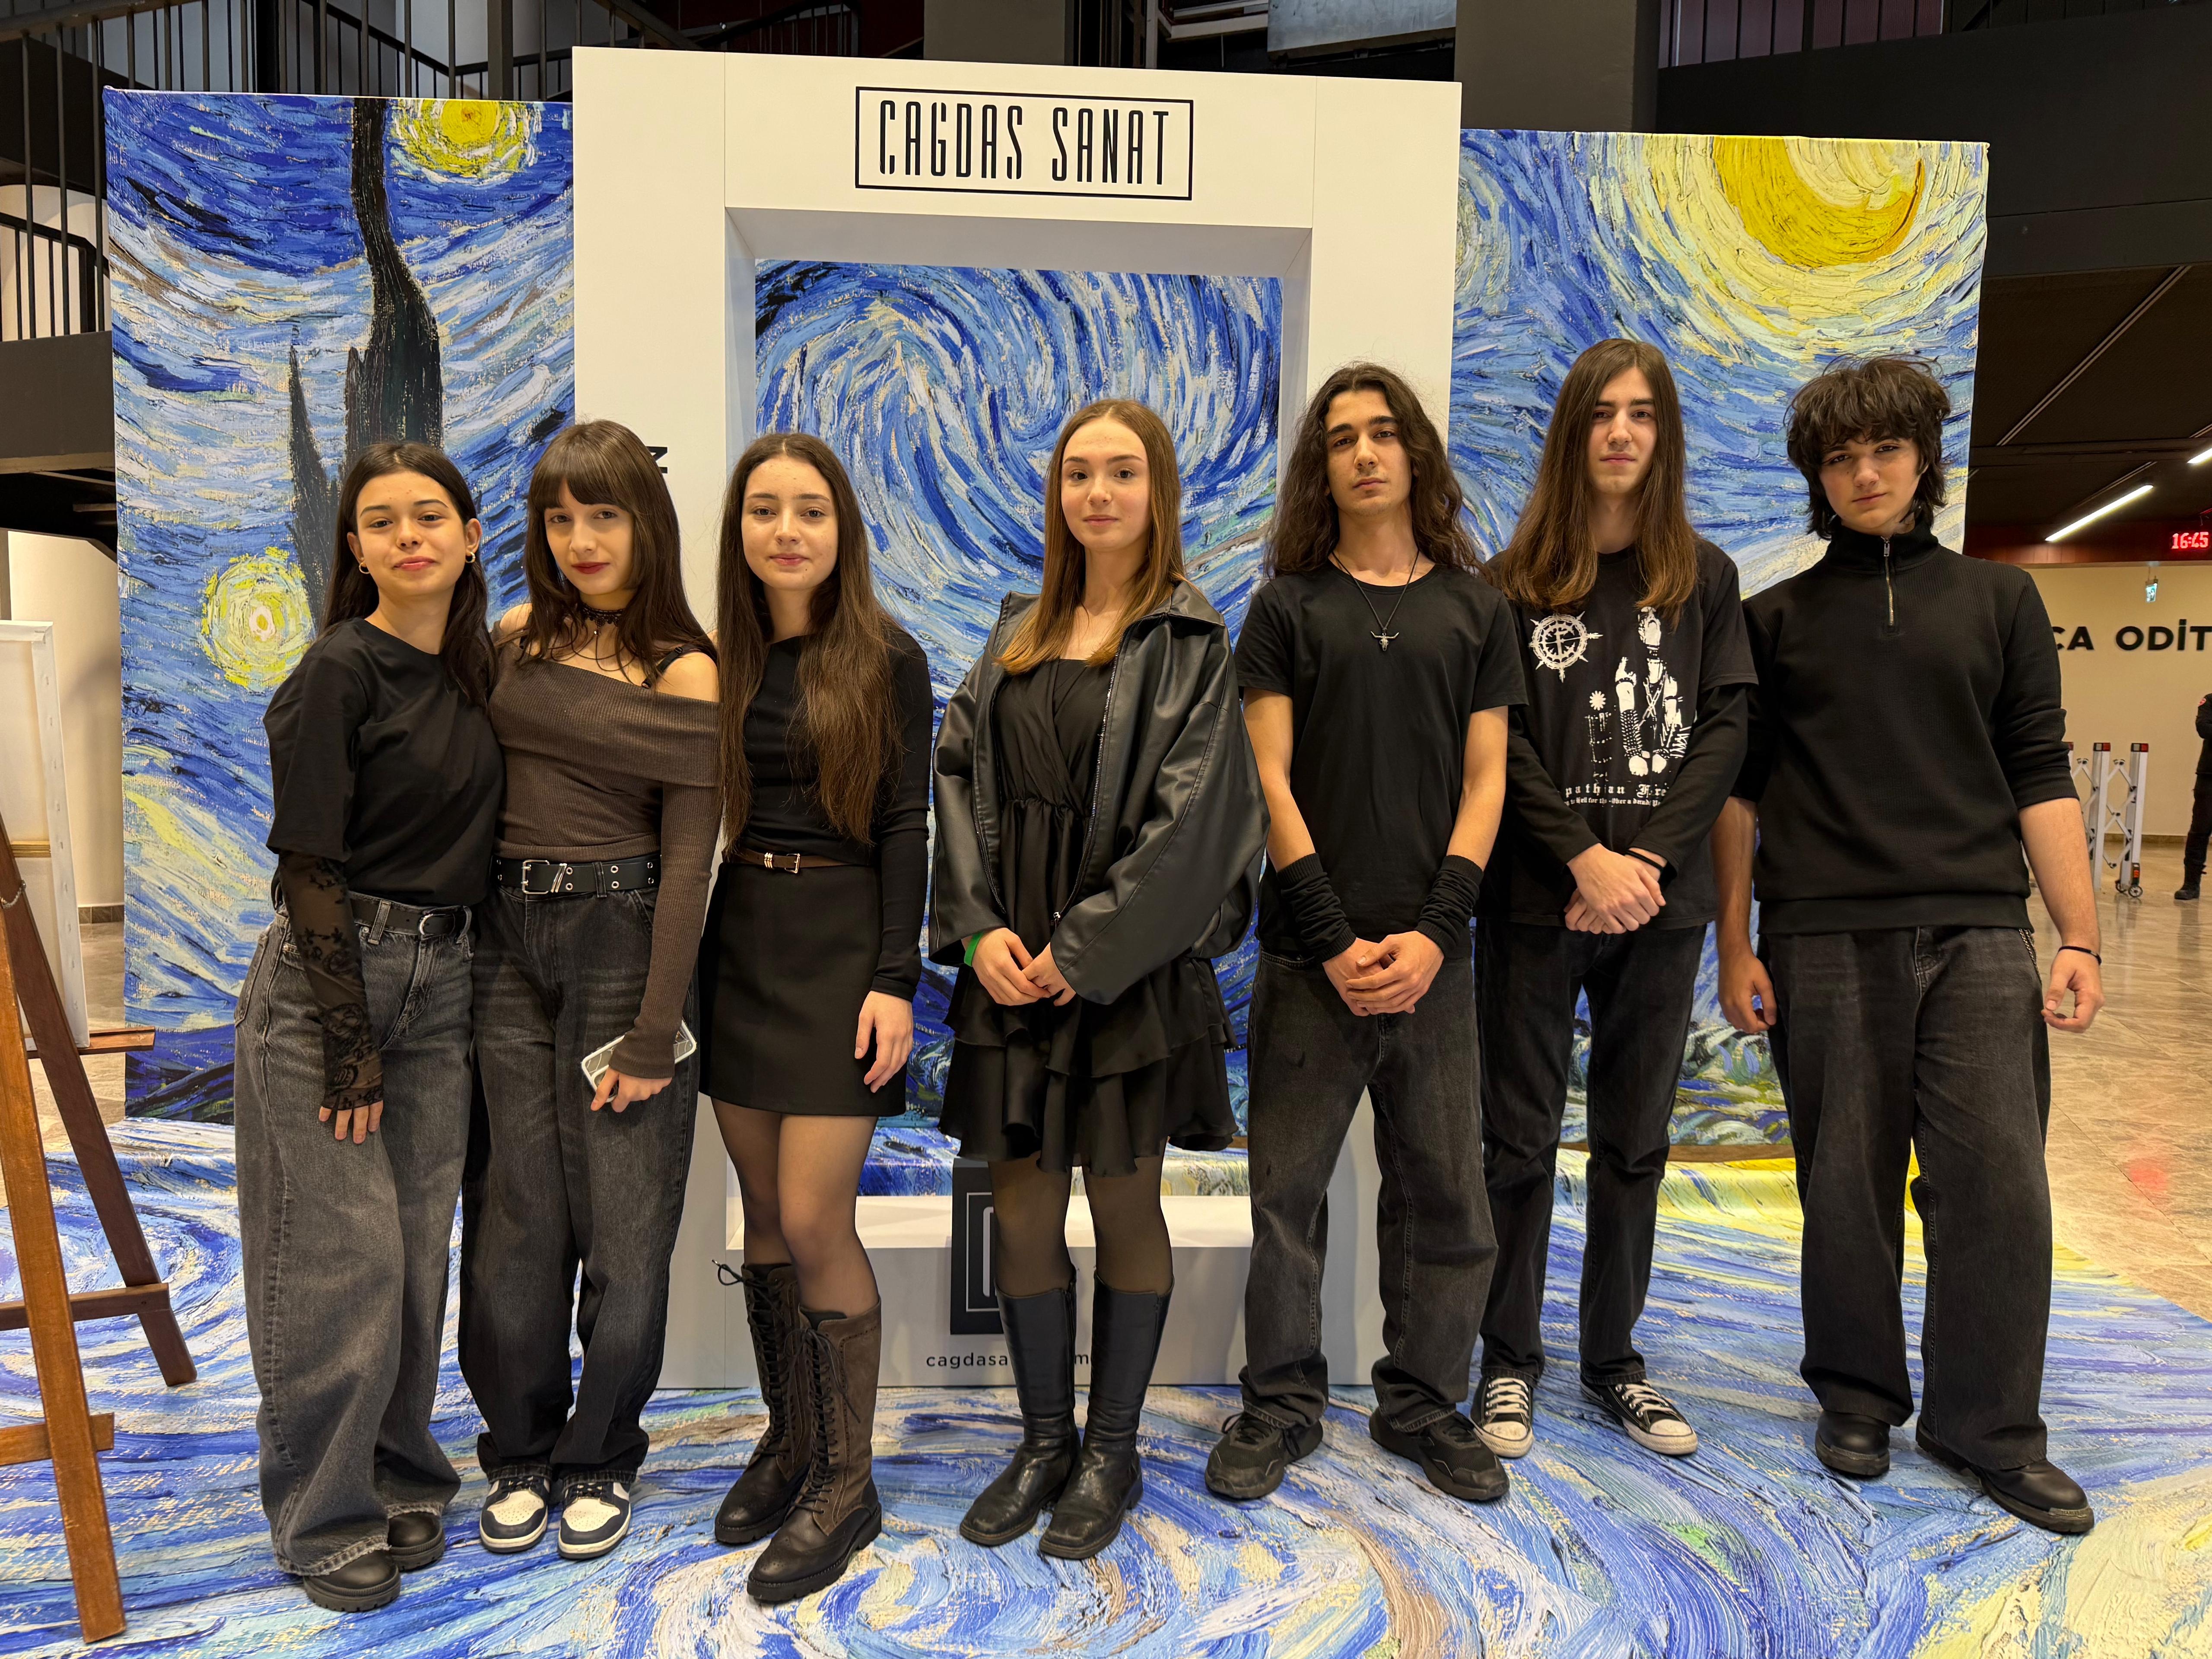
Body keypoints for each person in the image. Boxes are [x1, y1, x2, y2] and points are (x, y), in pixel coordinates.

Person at [1713, 356, 2106, 1535]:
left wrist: (2079, 933)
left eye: (1884, 450)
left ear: (1924, 459)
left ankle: (1988, 1425)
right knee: (1844, 1184)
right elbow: (1739, 797)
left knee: (1998, 1187)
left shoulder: (2000, 602)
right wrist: (1733, 942)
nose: (1865, 474)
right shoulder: (1771, 622)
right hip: (1823, 933)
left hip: (1980, 932)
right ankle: (1856, 1394)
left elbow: (2039, 769)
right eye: (1840, 459)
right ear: (1817, 479)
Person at [931, 397, 1265, 1560]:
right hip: (1007, 967)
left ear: (1157, 490)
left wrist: (1081, 955)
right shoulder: (1017, 628)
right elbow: (956, 771)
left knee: (1125, 1204)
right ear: (1058, 493)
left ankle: (1111, 1452)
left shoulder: (1192, 642)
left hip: (1121, 976)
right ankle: (1043, 1444)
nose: (1099, 493)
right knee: (1019, 1206)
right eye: (1079, 473)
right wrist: (978, 930)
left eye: (1123, 472)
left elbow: (1199, 824)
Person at [1206, 362, 1523, 1507]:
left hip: (1438, 964)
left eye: (1383, 433)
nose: (1364, 453)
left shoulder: (1477, 610)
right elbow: (1271, 782)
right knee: (1284, 1200)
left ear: (1415, 454)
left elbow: (1486, 784)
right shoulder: (1287, 609)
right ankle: (1280, 1405)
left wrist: (1436, 932)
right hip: (1309, 961)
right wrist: (1334, 936)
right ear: (1321, 468)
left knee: (1448, 1201)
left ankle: (1425, 1403)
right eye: (1340, 439)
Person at [1471, 340, 1756, 1462]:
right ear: (1573, 433)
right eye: (1602, 413)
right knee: (1517, 1140)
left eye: (1642, 414)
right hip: (1536, 902)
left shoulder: (1704, 580)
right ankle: (1507, 1359)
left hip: (1660, 912)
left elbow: (1724, 732)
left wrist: (1646, 867)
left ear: (1664, 435)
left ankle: (1614, 1364)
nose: (1622, 433)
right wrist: (1583, 861)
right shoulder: (1509, 584)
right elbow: (1497, 744)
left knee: (1635, 1143)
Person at [236, 442, 503, 1612]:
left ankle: (398, 1472)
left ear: (470, 537)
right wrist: (348, 1043)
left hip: (443, 985)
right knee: (340, 1258)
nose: (409, 536)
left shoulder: (480, 673)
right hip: (329, 986)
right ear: (356, 549)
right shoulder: (339, 669)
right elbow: (307, 866)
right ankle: (324, 1511)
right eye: (383, 522)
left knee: (413, 1252)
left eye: (429, 516)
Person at [461, 420, 721, 1561]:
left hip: (626, 940)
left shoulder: (685, 667)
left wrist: (657, 1033)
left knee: (624, 1220)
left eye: (604, 514)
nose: (581, 539)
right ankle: (519, 1449)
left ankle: (602, 1455)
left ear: (644, 522)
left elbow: (690, 858)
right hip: (505, 940)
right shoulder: (511, 640)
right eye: (560, 518)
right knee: (515, 1215)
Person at [697, 433, 932, 1603]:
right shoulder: (722, 661)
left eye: (808, 509)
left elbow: (905, 826)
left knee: (812, 1214)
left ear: (842, 528)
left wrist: (896, 979)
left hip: (844, 951)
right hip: (740, 943)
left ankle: (848, 1480)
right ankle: (791, 1441)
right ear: (738, 530)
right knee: (762, 1217)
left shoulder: (889, 658)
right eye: (763, 509)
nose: (785, 529)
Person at [2177, 691, 2210, 901]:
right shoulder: (2211, 700)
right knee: (2200, 831)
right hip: (2209, 777)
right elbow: (2204, 728)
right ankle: (2191, 884)